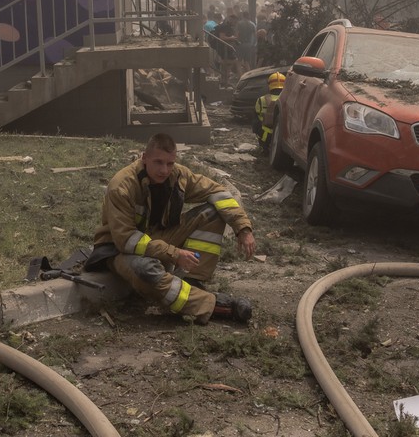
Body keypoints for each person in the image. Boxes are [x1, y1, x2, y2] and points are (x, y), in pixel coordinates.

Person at [85, 133, 255, 323]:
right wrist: (174, 254)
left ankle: (193, 282)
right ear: (144, 158)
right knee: (145, 270)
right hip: (120, 250)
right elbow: (126, 240)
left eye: (170, 163)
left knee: (214, 211)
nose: (164, 170)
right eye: (158, 162)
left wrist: (243, 228)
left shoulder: (178, 176)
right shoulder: (122, 186)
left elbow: (219, 192)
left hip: (157, 238)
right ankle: (214, 306)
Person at [254, 72, 285, 151]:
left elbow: (255, 120)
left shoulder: (261, 100)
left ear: (269, 85)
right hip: (283, 138)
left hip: (266, 137)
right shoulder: (288, 100)